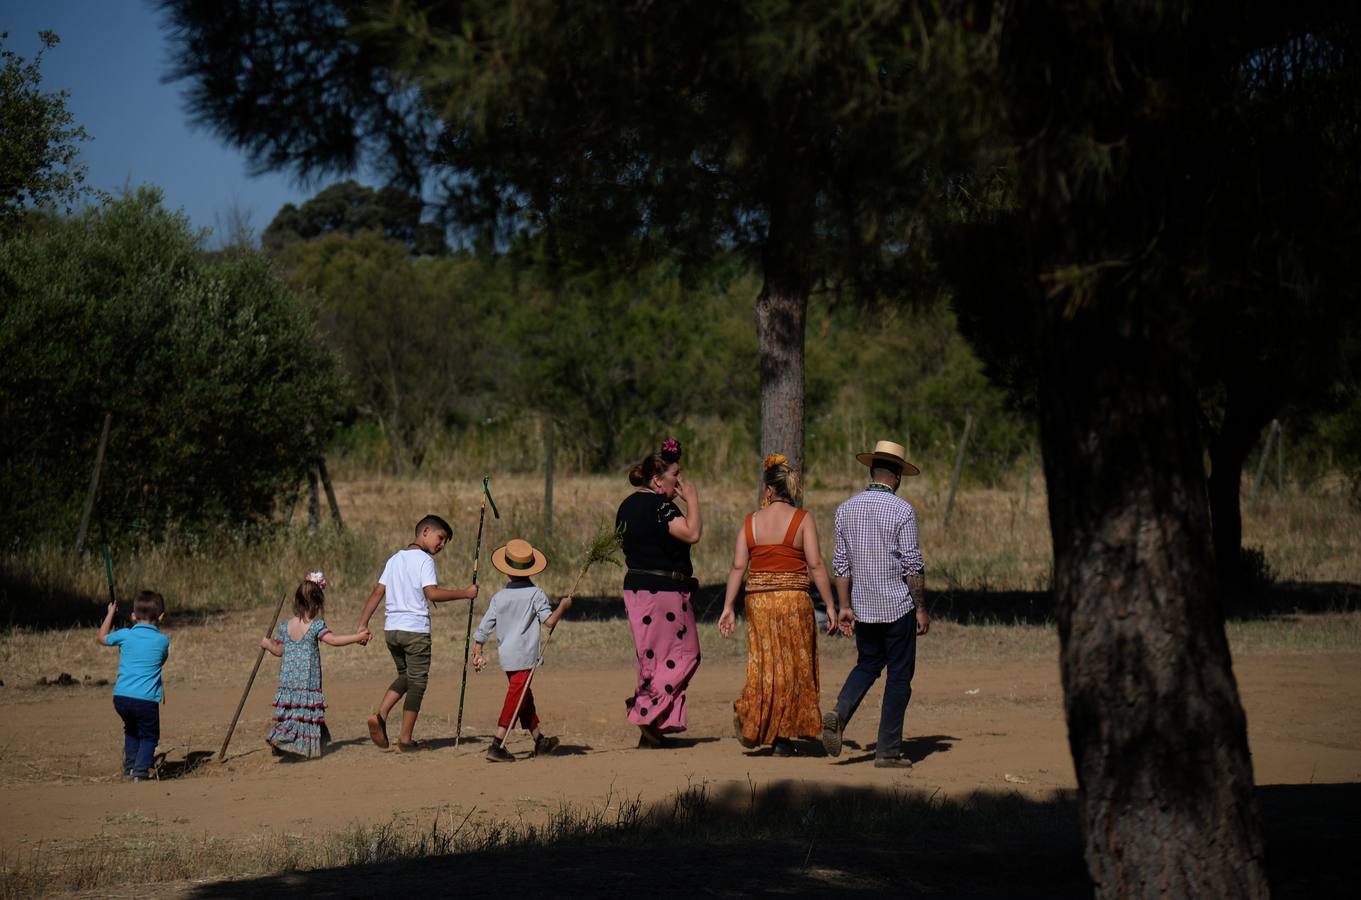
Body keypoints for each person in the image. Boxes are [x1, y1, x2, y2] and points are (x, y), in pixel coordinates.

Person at [719, 453, 837, 756]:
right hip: (793, 600)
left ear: (769, 491)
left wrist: (728, 607)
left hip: (758, 600)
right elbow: (816, 564)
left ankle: (753, 720)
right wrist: (831, 605)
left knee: (764, 665)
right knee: (794, 666)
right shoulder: (803, 519)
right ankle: (784, 736)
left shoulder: (752, 521)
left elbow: (737, 567)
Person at [822, 440, 929, 769]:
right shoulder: (902, 510)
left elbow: (841, 566)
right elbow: (912, 566)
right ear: (896, 477)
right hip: (897, 605)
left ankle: (841, 711)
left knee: (868, 664)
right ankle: (887, 750)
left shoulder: (845, 509)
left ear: (872, 471)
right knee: (899, 676)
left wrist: (844, 606)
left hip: (863, 606)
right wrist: (921, 607)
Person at [357, 514, 479, 751]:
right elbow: (431, 594)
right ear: (425, 531)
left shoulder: (393, 560)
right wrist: (465, 593)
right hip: (415, 632)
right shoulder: (424, 561)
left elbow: (376, 593)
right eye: (440, 537)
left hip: (392, 631)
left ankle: (380, 716)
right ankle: (405, 740)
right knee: (418, 683)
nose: (441, 545)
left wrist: (363, 624)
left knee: (406, 676)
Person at [615, 437, 702, 747]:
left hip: (636, 589)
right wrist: (692, 500)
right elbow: (691, 534)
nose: (680, 480)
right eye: (675, 474)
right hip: (663, 590)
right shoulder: (661, 506)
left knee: (650, 659)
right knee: (687, 655)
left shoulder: (626, 506)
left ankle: (653, 730)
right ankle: (645, 710)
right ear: (657, 480)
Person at [470, 539, 572, 762]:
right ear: (531, 568)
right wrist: (563, 607)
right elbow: (549, 622)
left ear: (507, 571)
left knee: (524, 696)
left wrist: (477, 647)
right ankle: (497, 743)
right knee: (517, 696)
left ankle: (539, 740)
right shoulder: (536, 594)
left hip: (507, 656)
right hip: (525, 655)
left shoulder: (499, 597)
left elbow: (485, 625)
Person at [260, 572, 371, 759]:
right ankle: (290, 743)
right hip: (307, 681)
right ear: (317, 604)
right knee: (305, 713)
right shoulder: (316, 625)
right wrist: (358, 637)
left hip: (288, 681)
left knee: (292, 712)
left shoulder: (285, 626)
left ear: (297, 602)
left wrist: (267, 644)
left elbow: (279, 651)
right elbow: (334, 640)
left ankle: (294, 738)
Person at [97, 589, 170, 781]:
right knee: (149, 736)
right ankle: (140, 771)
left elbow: (102, 638)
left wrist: (110, 613)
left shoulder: (124, 635)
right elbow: (161, 660)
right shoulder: (163, 640)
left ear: (133, 616)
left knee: (131, 730)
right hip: (145, 700)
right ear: (161, 616)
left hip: (121, 697)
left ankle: (130, 767)